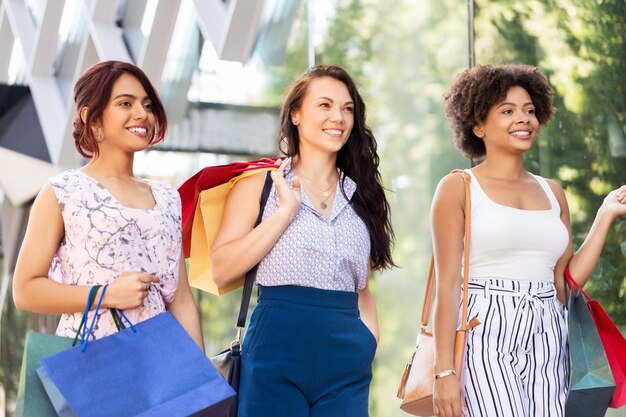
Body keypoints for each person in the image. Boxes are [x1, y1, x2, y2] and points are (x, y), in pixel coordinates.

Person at [431, 63, 626, 417]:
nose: (524, 119)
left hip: (549, 329)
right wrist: (444, 371)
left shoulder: (553, 192)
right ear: (477, 125)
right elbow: (446, 286)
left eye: (530, 110)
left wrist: (605, 214)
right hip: (484, 328)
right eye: (507, 111)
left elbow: (564, 285)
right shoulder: (458, 187)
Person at [210, 64, 395, 416]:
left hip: (348, 358)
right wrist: (284, 213)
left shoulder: (362, 196)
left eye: (347, 108)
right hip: (276, 348)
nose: (338, 117)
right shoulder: (259, 186)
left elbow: (362, 286)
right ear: (295, 114)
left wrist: (369, 339)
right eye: (324, 105)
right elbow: (222, 270)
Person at [12, 61, 203, 349]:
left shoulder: (167, 198)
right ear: (93, 118)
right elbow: (25, 290)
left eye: (148, 105)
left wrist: (200, 383)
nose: (142, 114)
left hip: (157, 365)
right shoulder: (63, 192)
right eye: (125, 103)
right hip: (91, 363)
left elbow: (181, 299)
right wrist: (106, 294)